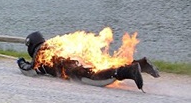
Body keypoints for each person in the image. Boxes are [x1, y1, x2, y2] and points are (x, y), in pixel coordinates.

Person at [17, 31, 160, 92]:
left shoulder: (40, 53)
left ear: (31, 44)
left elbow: (29, 70)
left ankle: (128, 70)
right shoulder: (53, 44)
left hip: (70, 68)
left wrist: (20, 62)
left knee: (93, 77)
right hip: (77, 59)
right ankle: (140, 64)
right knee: (100, 67)